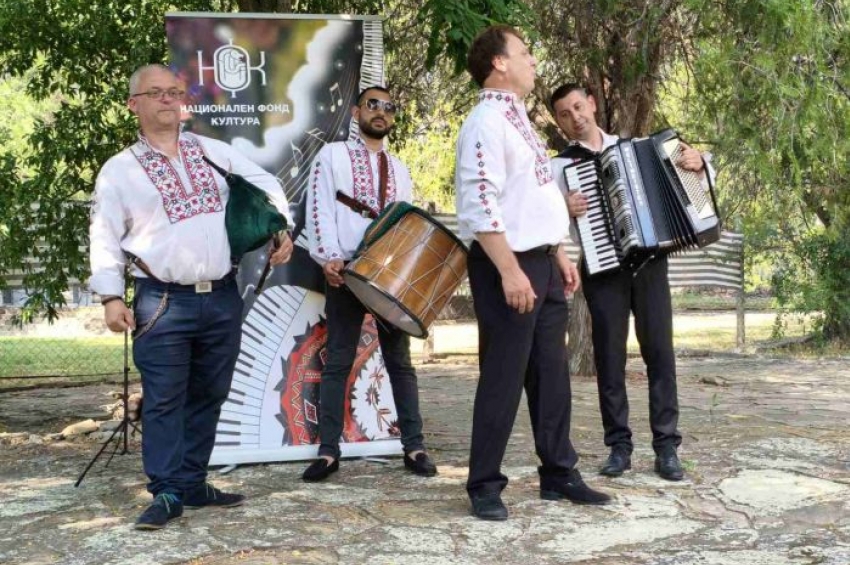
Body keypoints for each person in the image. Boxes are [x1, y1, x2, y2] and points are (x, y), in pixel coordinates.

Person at [89, 64, 294, 530]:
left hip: (221, 296)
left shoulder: (211, 151)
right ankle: (166, 490)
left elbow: (266, 184)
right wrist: (109, 296)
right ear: (133, 104)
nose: (167, 99)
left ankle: (192, 481)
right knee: (164, 398)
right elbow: (103, 235)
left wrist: (281, 225)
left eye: (174, 91)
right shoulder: (119, 170)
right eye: (156, 93)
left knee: (211, 392)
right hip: (161, 301)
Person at [455, 26, 611, 521]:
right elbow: (479, 202)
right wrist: (509, 270)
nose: (533, 60)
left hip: (541, 261)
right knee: (503, 377)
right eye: (523, 52)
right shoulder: (485, 121)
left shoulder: (517, 116)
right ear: (499, 63)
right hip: (510, 265)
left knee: (551, 375)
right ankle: (484, 484)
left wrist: (557, 253)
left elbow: (532, 196)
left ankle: (558, 472)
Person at [549, 83, 713, 481]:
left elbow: (694, 175)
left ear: (592, 104)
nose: (575, 118)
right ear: (558, 122)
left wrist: (699, 161)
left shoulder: (639, 147)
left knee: (660, 355)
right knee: (609, 359)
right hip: (603, 268)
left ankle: (667, 447)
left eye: (578, 107)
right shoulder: (559, 168)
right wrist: (562, 207)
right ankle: (618, 447)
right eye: (565, 114)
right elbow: (543, 220)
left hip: (651, 263)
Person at [302, 86, 437, 482]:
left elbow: (406, 226)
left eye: (389, 107)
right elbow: (319, 206)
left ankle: (414, 446)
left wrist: (402, 273)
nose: (381, 112)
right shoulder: (332, 156)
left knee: (400, 363)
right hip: (344, 269)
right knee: (338, 362)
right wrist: (329, 256)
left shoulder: (400, 168)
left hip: (387, 276)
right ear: (356, 111)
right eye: (373, 104)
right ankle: (329, 452)